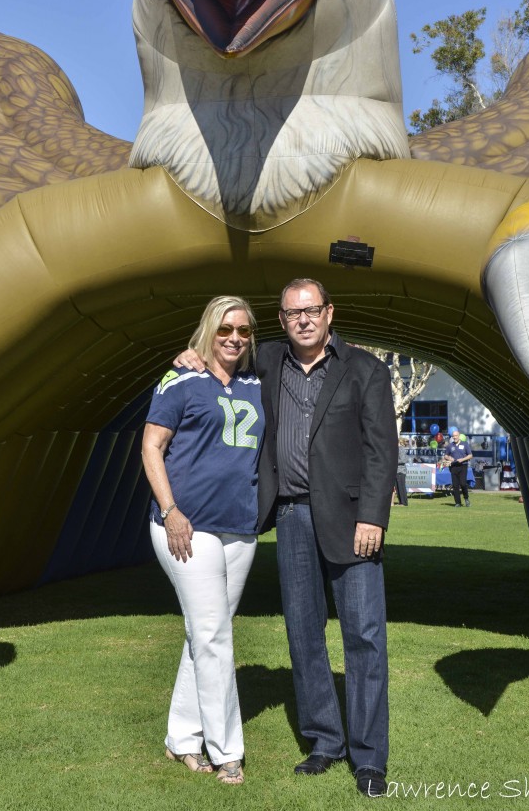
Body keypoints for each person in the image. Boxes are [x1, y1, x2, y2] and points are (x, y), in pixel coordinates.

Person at [176, 278, 397, 798]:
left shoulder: (365, 369)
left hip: (352, 520)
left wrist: (373, 517)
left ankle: (369, 760)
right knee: (303, 635)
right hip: (293, 516)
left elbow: (381, 451)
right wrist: (191, 353)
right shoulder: (266, 362)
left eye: (312, 310)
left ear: (328, 313)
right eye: (293, 312)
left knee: (365, 637)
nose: (303, 319)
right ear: (281, 320)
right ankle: (324, 742)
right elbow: (222, 356)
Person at [142, 296, 264, 785]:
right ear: (208, 330)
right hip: (187, 526)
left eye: (244, 331)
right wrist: (171, 511)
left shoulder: (259, 381)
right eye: (225, 329)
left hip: (240, 528)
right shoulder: (181, 379)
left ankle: (180, 737)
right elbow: (152, 445)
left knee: (204, 634)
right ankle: (226, 749)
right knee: (214, 636)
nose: (235, 338)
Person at [443, 427, 472, 507]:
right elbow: (445, 455)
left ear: (459, 436)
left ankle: (466, 498)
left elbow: (470, 455)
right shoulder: (450, 446)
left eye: (456, 436)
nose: (454, 437)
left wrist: (462, 459)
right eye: (453, 436)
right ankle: (457, 502)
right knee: (455, 485)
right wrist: (449, 458)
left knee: (463, 483)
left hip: (463, 466)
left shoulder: (465, 444)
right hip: (453, 466)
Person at [394, 438, 409, 506]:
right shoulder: (398, 449)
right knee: (397, 487)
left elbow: (403, 460)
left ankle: (404, 502)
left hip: (401, 470)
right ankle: (400, 501)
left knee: (401, 487)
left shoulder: (401, 449)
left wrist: (393, 462)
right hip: (397, 471)